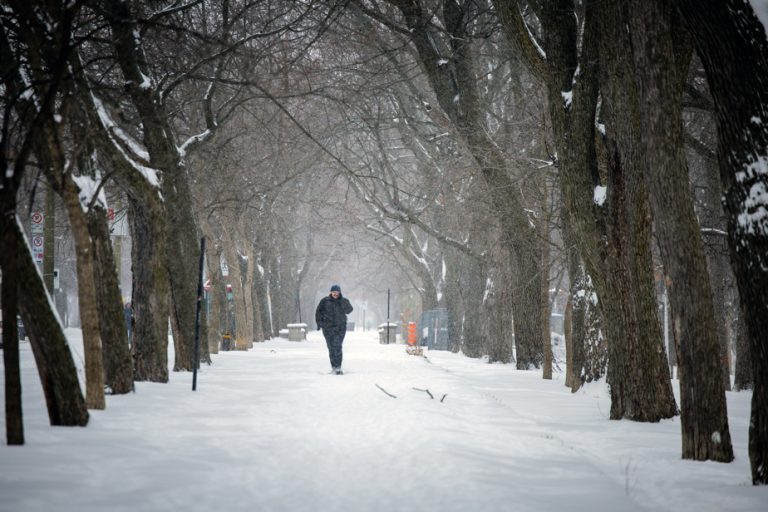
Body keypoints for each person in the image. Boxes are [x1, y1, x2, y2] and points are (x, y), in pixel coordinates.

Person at [315, 284, 353, 375]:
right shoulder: (325, 301)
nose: (335, 294)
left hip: (340, 328)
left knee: (338, 346)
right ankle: (334, 367)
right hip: (327, 328)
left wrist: (343, 303)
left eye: (337, 292)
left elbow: (350, 310)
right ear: (330, 292)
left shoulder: (343, 301)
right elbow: (318, 312)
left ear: (339, 293)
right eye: (333, 292)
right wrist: (319, 324)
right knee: (331, 347)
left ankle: (338, 368)